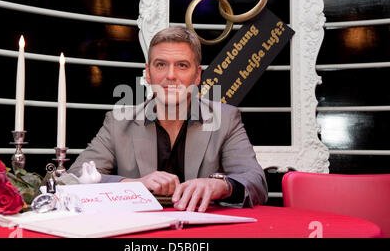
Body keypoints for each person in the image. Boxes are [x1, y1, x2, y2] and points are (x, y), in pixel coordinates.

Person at [68, 26, 268, 212]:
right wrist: (133, 184)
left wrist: (220, 185)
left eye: (182, 65)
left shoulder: (225, 119)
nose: (170, 75)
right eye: (161, 64)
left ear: (197, 76)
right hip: (137, 231)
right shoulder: (118, 121)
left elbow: (257, 182)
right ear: (148, 73)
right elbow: (74, 177)